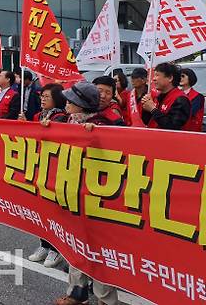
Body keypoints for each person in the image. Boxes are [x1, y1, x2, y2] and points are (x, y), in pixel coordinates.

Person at [55, 81, 118, 305]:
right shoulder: (64, 121)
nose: (67, 103)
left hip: (96, 198)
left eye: (71, 100)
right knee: (74, 244)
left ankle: (105, 299)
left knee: (99, 251)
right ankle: (77, 293)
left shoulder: (103, 125)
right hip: (72, 193)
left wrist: (96, 135)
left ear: (80, 105)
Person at [21, 83, 67, 268]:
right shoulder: (37, 116)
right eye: (42, 96)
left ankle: (56, 249)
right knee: (42, 209)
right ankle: (44, 245)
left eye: (46, 96)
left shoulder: (62, 117)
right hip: (39, 167)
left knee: (55, 212)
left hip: (56, 169)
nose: (42, 99)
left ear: (56, 98)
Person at [141, 62, 191, 130]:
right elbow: (147, 121)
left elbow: (173, 126)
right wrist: (146, 108)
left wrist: (153, 109)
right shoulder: (158, 97)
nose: (153, 79)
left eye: (157, 75)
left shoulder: (181, 99)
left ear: (170, 78)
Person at [180, 68, 205, 132]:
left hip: (191, 132)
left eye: (183, 76)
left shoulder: (198, 97)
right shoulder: (174, 94)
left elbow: (190, 112)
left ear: (190, 77)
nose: (180, 78)